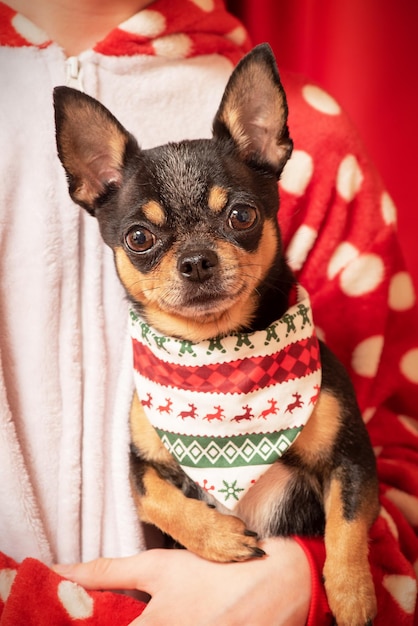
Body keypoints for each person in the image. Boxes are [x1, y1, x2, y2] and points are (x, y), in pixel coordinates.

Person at [0, 1, 416, 624]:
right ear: (91, 182)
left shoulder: (321, 136)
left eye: (240, 218)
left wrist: (303, 582)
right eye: (145, 240)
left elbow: (396, 452)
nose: (194, 263)